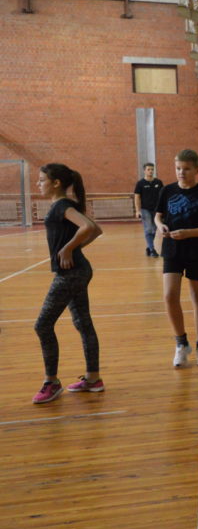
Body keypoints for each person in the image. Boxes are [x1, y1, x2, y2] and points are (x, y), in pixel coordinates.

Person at [33, 163, 104, 403]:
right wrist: (73, 249)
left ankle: (51, 382)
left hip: (71, 274)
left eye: (42, 180)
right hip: (77, 270)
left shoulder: (62, 206)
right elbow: (96, 230)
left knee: (42, 325)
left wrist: (69, 248)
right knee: (83, 323)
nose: (38, 184)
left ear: (56, 183)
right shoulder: (62, 206)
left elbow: (90, 228)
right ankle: (93, 379)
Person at [154, 149, 198, 368]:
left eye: (186, 169)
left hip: (197, 251)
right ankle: (181, 344)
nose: (181, 172)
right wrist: (160, 226)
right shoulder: (167, 191)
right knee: (169, 295)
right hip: (172, 250)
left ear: (197, 170)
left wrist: (189, 233)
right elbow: (158, 216)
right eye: (178, 168)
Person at [133, 162, 164, 257]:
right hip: (145, 209)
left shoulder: (158, 182)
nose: (151, 171)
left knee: (154, 230)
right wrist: (138, 211)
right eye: (148, 169)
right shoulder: (140, 183)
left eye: (152, 169)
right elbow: (137, 197)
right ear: (144, 171)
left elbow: (163, 196)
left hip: (157, 210)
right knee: (148, 228)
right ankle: (152, 250)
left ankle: (149, 247)